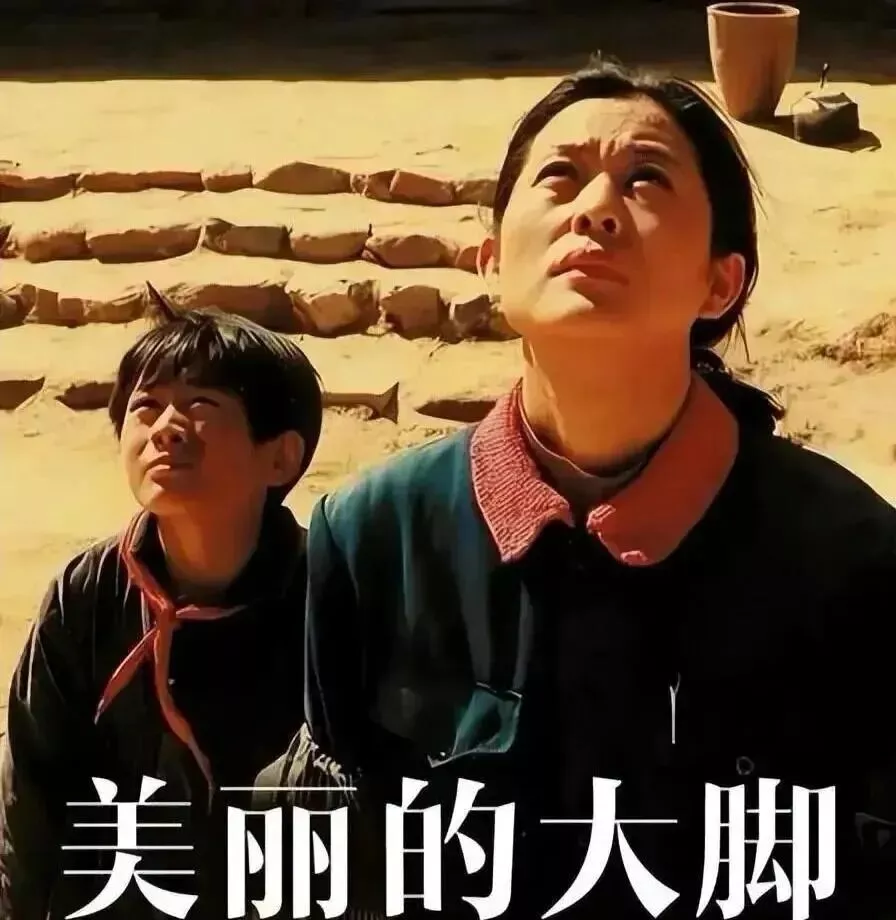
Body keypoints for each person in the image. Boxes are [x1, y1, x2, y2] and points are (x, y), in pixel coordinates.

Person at [255, 59, 896, 919]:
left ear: (722, 281)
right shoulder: (372, 535)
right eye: (559, 176)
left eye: (646, 179)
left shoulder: (851, 557)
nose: (595, 208)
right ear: (491, 259)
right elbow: (328, 857)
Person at [0, 286, 323, 920]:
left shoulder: (332, 592)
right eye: (145, 407)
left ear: (281, 456)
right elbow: (31, 793)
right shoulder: (86, 592)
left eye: (202, 405)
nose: (165, 427)